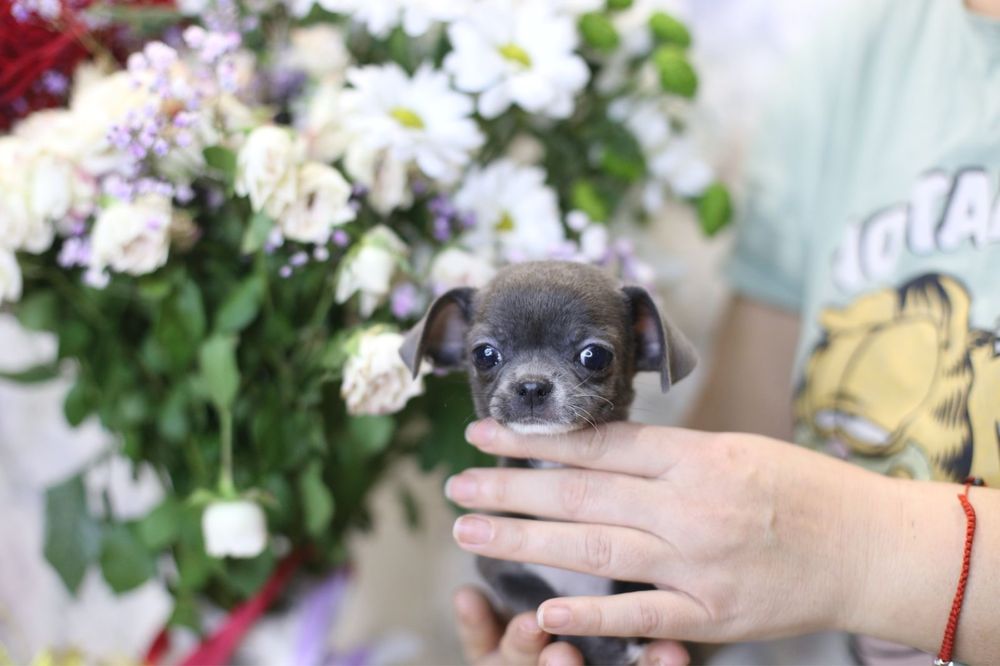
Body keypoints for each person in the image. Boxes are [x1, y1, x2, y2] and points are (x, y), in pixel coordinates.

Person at [446, 0, 1000, 663]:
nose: (532, 382)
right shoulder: (860, 52)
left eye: (591, 357)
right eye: (488, 355)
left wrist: (859, 547)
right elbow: (725, 494)